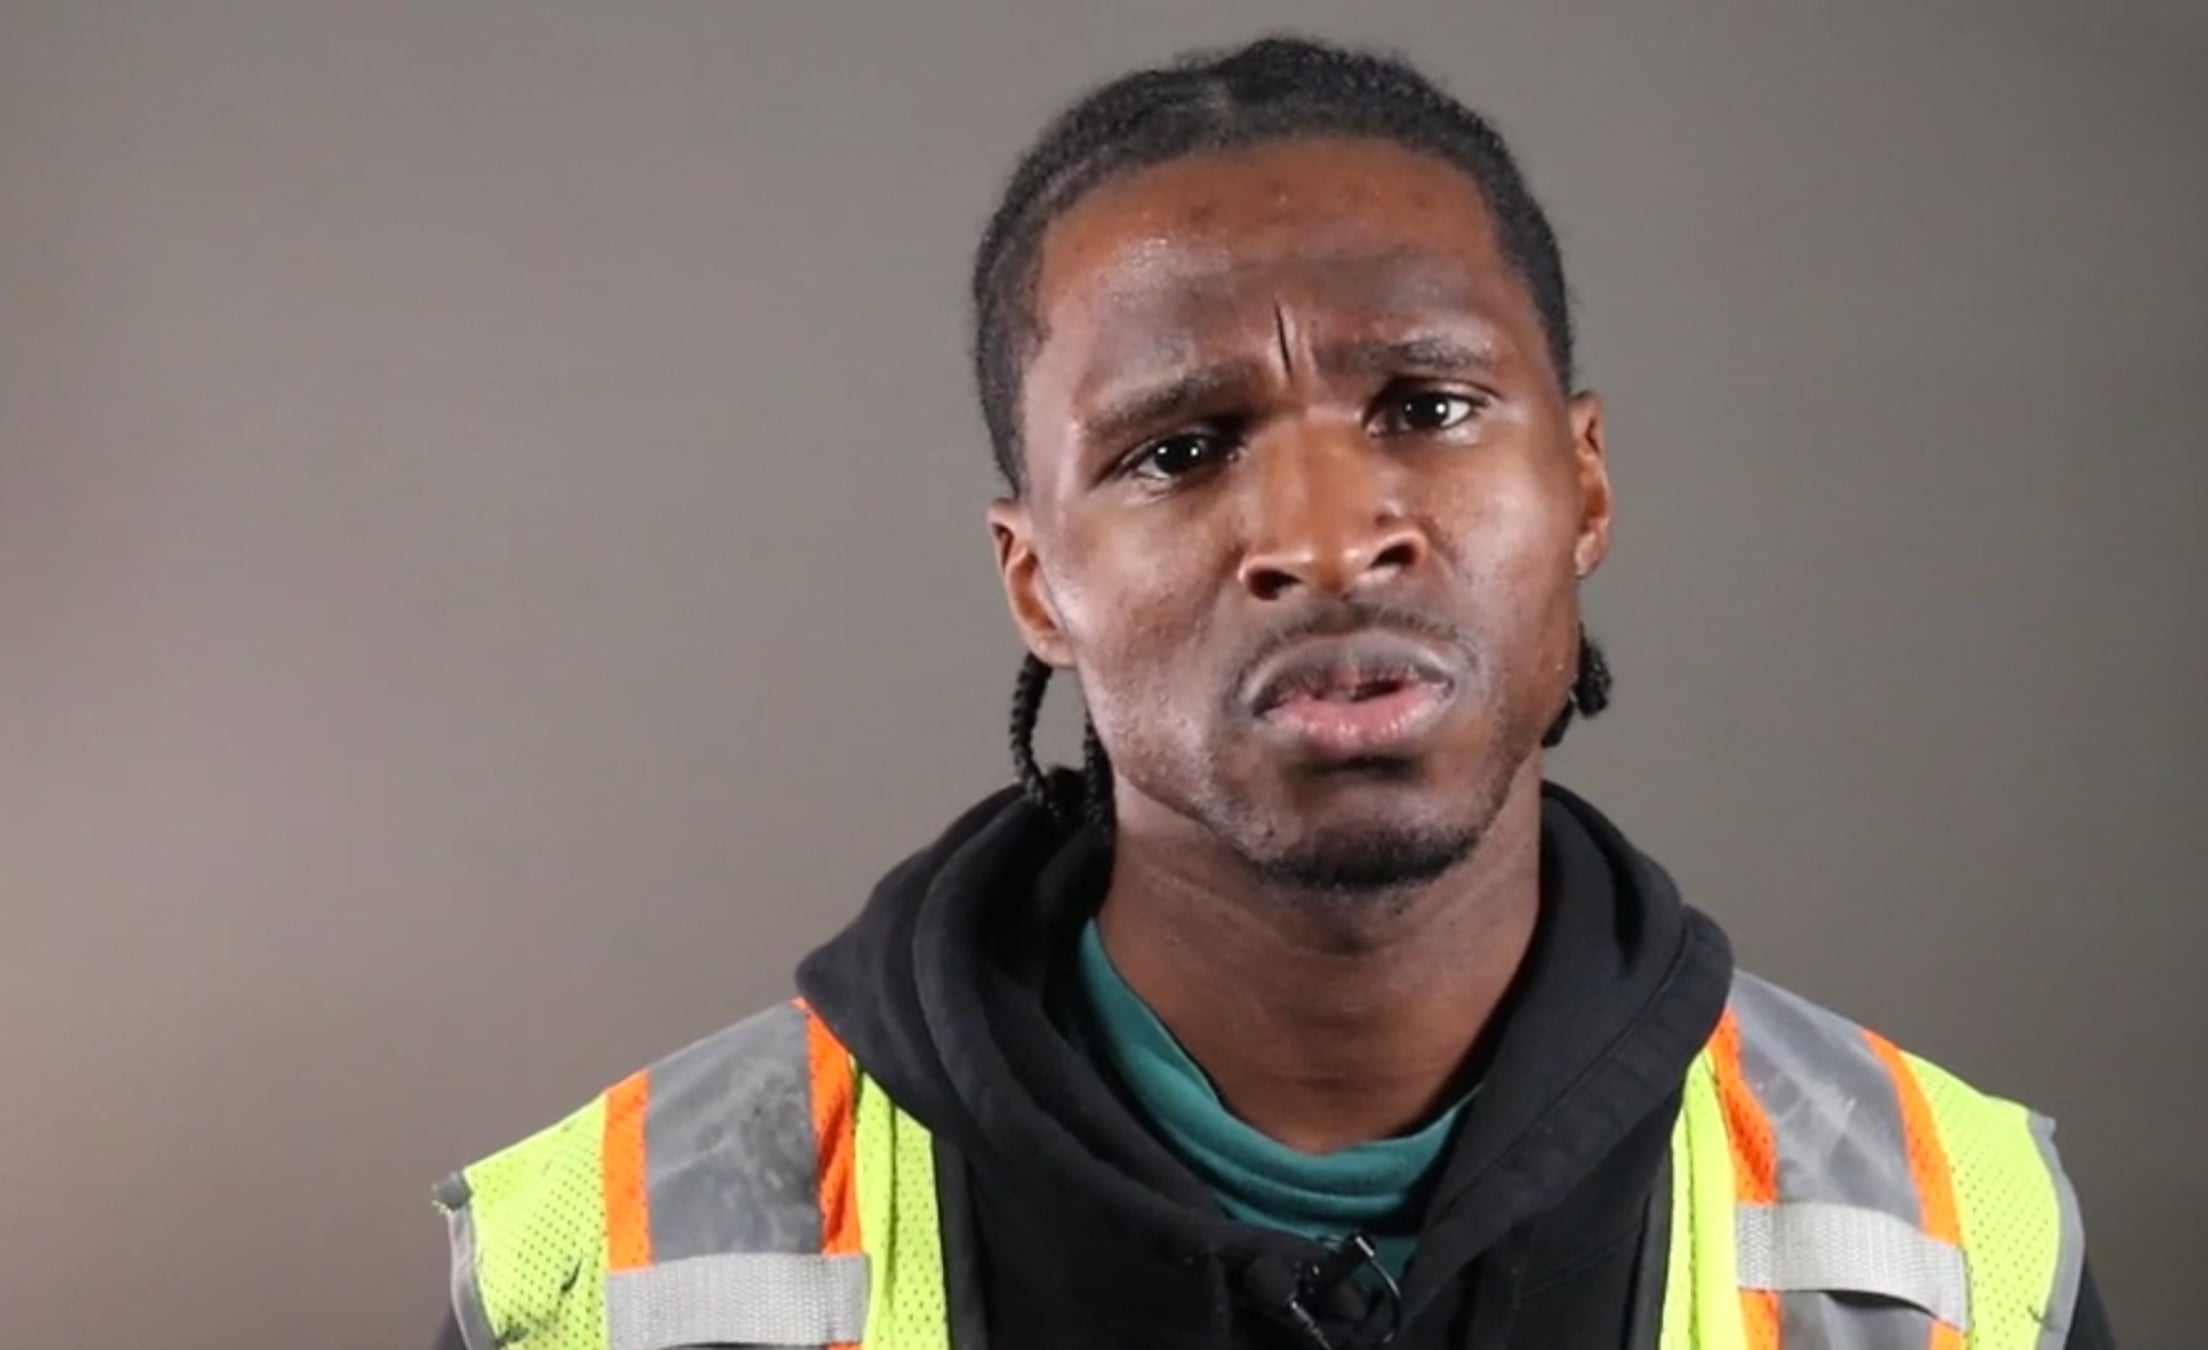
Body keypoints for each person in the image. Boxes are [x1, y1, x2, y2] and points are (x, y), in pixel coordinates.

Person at [427, 34, 2112, 1350]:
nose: (1324, 540)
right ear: (1037, 580)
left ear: (1586, 483)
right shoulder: (607, 1272)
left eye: (1429, 406)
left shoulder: (1954, 1249)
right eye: (1180, 449)